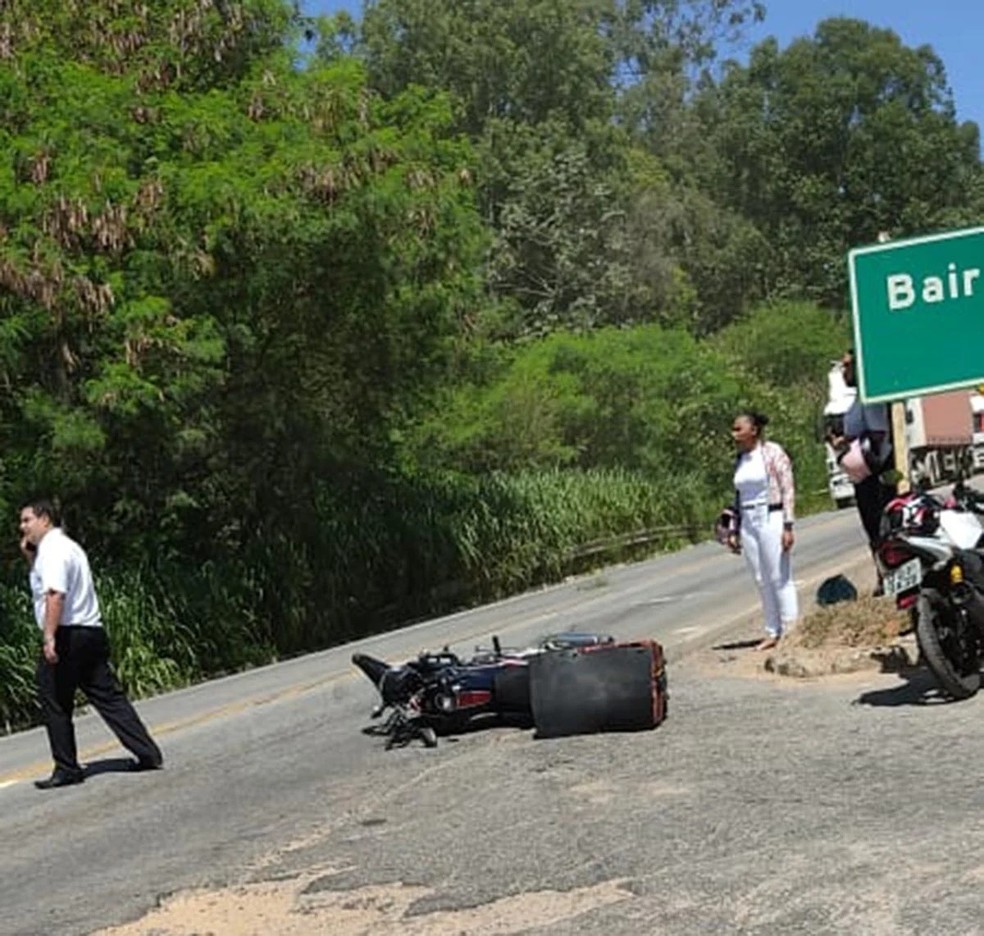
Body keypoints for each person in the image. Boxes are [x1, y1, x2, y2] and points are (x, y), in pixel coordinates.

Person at [20, 498, 163, 789]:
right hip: (91, 632)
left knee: (55, 701)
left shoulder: (53, 551)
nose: (22, 527)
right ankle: (148, 753)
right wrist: (29, 558)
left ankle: (67, 768)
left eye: (27, 520)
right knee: (108, 697)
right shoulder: (69, 547)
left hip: (67, 635)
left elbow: (55, 595)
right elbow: (47, 584)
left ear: (45, 519)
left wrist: (49, 637)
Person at [826, 349, 897, 592]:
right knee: (872, 527)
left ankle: (891, 574)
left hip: (876, 473)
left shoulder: (871, 399)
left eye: (847, 366)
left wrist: (845, 443)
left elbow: (878, 434)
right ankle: (883, 574)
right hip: (866, 476)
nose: (844, 372)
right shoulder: (857, 400)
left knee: (882, 525)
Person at [728, 411, 799, 651]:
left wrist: (788, 525)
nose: (734, 434)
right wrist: (735, 528)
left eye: (739, 429)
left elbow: (787, 488)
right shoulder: (740, 459)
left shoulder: (772, 453)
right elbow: (738, 495)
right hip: (748, 518)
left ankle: (792, 627)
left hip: (771, 514)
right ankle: (772, 630)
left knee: (779, 575)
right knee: (760, 578)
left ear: (753, 430)